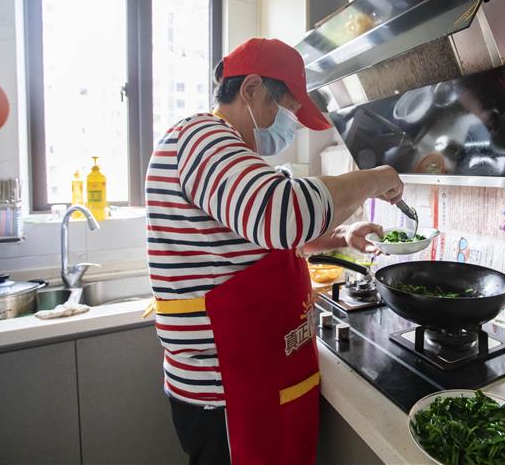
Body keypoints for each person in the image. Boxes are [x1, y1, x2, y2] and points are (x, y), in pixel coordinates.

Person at [144, 37, 403, 465]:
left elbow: (263, 241)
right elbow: (281, 215)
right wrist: (375, 178)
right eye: (287, 110)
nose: (291, 125)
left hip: (251, 377)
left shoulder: (229, 152)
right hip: (225, 389)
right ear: (250, 89)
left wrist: (343, 235)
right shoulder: (201, 137)